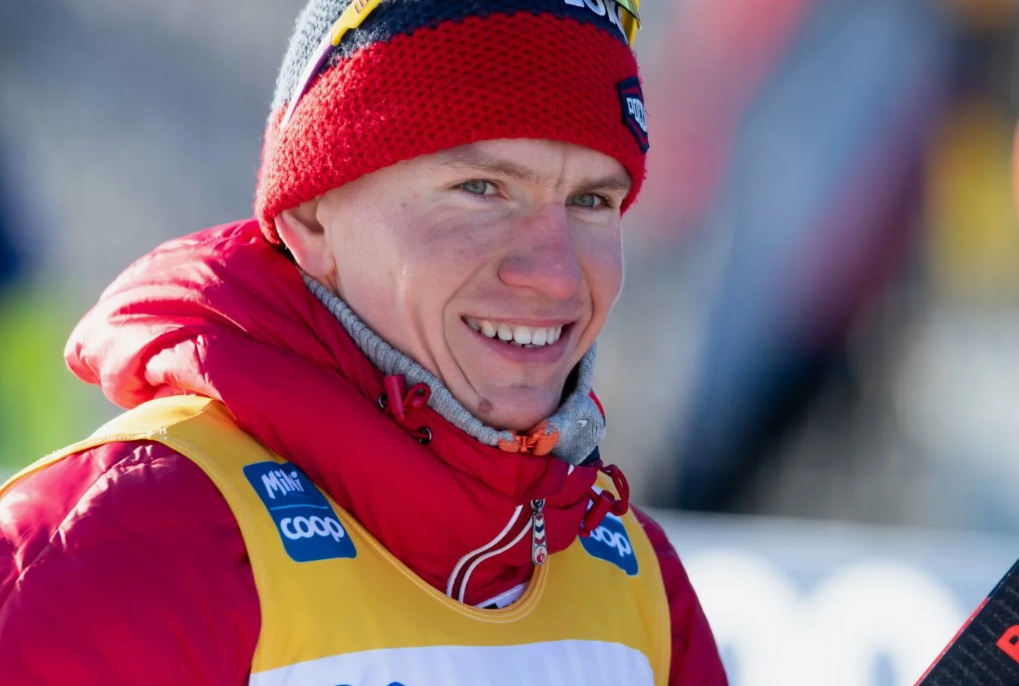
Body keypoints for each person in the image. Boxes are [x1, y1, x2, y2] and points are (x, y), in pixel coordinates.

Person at [0, 1, 727, 684]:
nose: (555, 273)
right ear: (312, 216)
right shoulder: (116, 547)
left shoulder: (633, 583)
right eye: (481, 188)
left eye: (591, 201)